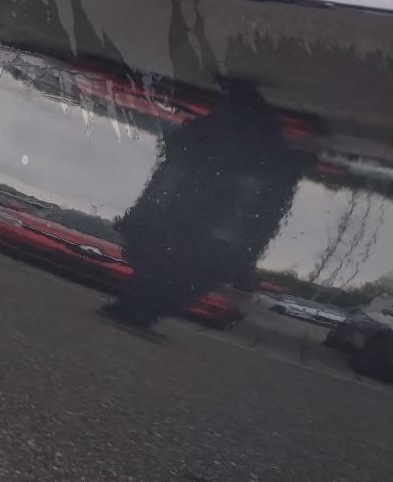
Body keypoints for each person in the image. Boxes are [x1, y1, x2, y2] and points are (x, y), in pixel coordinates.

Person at [104, 79, 306, 329]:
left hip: (205, 214)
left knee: (230, 179)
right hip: (206, 216)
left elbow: (253, 225)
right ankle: (244, 113)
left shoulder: (176, 278)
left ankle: (244, 113)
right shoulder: (168, 271)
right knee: (231, 180)